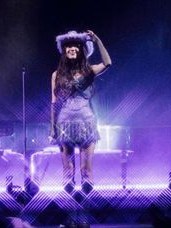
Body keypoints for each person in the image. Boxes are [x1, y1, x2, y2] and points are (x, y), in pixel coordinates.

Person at [49, 30, 112, 194]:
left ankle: (86, 209)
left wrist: (97, 40)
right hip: (64, 123)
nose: (71, 49)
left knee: (86, 171)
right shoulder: (57, 75)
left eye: (75, 46)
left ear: (82, 50)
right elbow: (54, 102)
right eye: (68, 46)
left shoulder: (89, 71)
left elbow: (107, 63)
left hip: (86, 122)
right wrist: (52, 129)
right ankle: (70, 211)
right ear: (63, 50)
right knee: (68, 172)